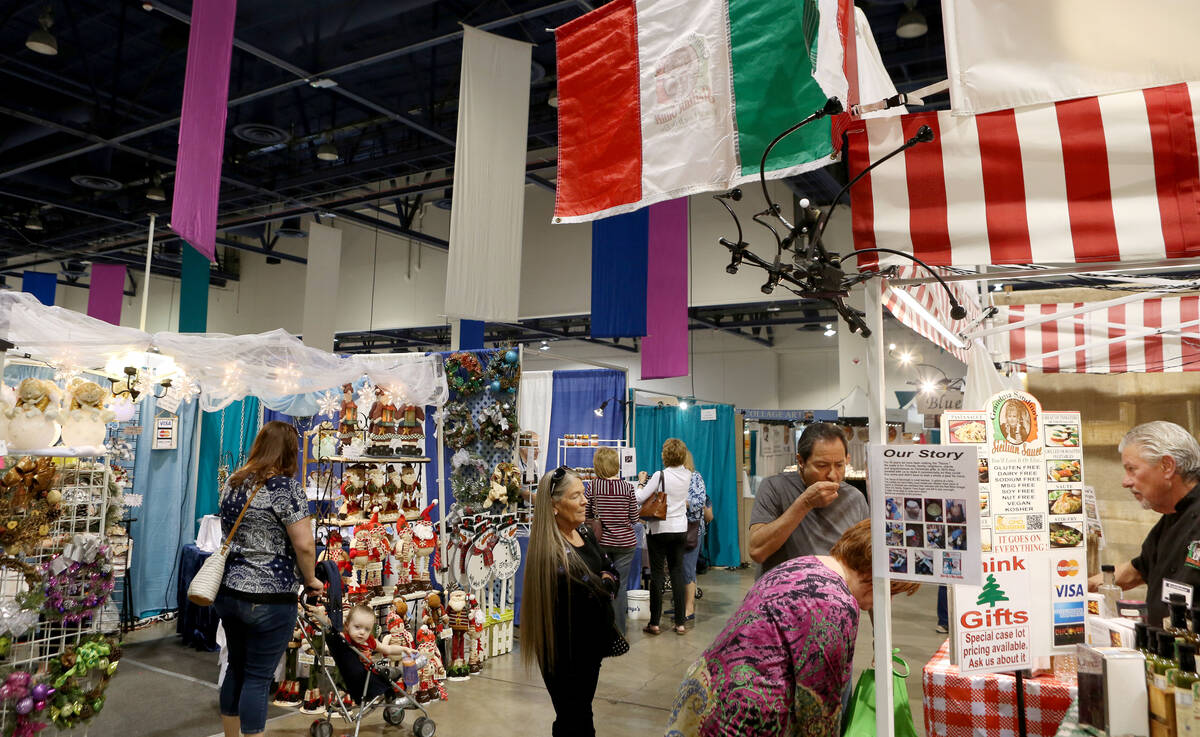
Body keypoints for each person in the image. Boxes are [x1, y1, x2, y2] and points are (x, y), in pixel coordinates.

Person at [665, 520, 918, 736]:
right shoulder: (834, 603)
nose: (889, 601)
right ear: (875, 576)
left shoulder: (804, 565)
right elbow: (817, 711)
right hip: (741, 717)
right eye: (892, 591)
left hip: (705, 695)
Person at [214, 421, 323, 737]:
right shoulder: (286, 489)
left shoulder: (233, 483)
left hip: (230, 591)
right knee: (258, 677)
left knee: (235, 667)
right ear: (290, 452)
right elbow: (303, 544)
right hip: (271, 597)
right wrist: (312, 579)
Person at [521, 466, 621, 737]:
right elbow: (597, 592)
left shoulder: (585, 534)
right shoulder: (551, 552)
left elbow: (611, 572)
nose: (585, 500)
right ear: (555, 505)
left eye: (584, 494)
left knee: (580, 713)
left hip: (590, 647)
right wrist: (605, 582)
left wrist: (605, 582)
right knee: (574, 718)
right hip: (565, 653)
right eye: (577, 496)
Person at [1087, 421, 1200, 626]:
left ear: (1167, 466)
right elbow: (1136, 571)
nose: (1125, 482)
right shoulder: (1170, 518)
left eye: (1132, 469)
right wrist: (1076, 588)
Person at [748, 423, 869, 576]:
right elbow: (757, 551)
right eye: (822, 465)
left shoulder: (854, 498)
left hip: (834, 595)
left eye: (839, 465)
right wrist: (804, 503)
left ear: (847, 459)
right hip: (783, 595)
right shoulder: (775, 487)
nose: (832, 475)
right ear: (801, 462)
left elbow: (864, 558)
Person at [636, 438, 692, 635]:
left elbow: (640, 498)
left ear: (665, 455)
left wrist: (641, 482)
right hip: (680, 528)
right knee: (677, 573)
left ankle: (654, 623)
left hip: (660, 528)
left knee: (658, 574)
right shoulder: (688, 475)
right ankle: (680, 622)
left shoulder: (660, 475)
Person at [585, 447, 640, 636]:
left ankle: (600, 631)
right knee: (621, 586)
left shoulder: (593, 486)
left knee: (599, 585)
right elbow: (634, 518)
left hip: (601, 544)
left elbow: (587, 515)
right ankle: (619, 633)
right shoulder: (627, 487)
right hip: (626, 543)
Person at [682, 451, 713, 623]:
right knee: (678, 569)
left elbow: (699, 501)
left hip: (692, 529)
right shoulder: (674, 476)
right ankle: (681, 605)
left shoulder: (695, 477)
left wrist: (679, 502)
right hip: (676, 528)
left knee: (688, 569)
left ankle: (689, 607)